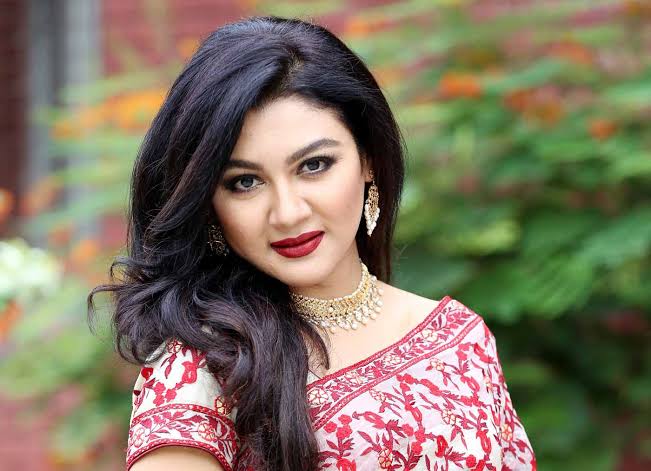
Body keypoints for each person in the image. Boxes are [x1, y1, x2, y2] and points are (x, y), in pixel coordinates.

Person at [88, 15, 536, 471]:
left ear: (368, 159)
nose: (288, 213)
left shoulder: (460, 340)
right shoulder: (203, 370)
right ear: (208, 203)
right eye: (245, 182)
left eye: (314, 165)